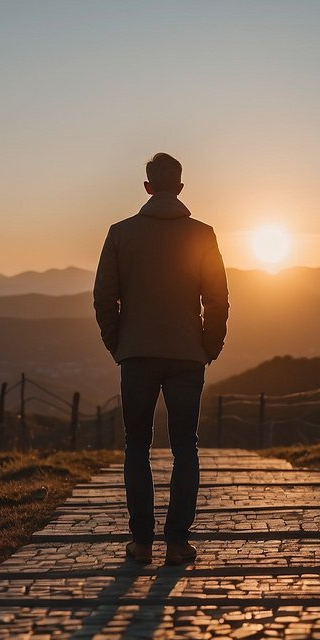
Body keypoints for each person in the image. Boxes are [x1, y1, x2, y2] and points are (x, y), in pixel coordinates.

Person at [93, 152, 229, 566]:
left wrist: (118, 344)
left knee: (137, 445)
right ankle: (177, 543)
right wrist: (209, 346)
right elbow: (217, 299)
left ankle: (141, 543)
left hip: (137, 355)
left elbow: (104, 297)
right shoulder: (203, 234)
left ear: (147, 186)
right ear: (181, 188)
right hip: (187, 355)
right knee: (185, 446)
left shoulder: (120, 233)